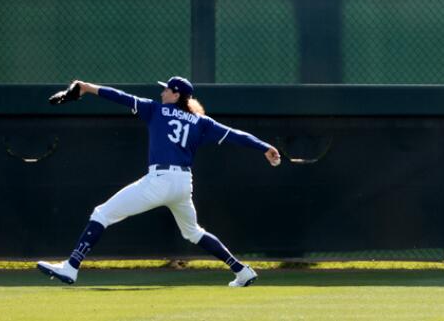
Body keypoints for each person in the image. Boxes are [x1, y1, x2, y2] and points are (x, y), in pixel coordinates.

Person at [35, 76, 281, 287]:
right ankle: (241, 270)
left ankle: (71, 266)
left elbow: (119, 96)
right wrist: (265, 147)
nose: (162, 91)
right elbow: (235, 135)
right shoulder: (201, 122)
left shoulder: (155, 109)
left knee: (102, 214)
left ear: (175, 94)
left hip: (159, 180)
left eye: (166, 88)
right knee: (193, 232)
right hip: (183, 183)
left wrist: (86, 87)